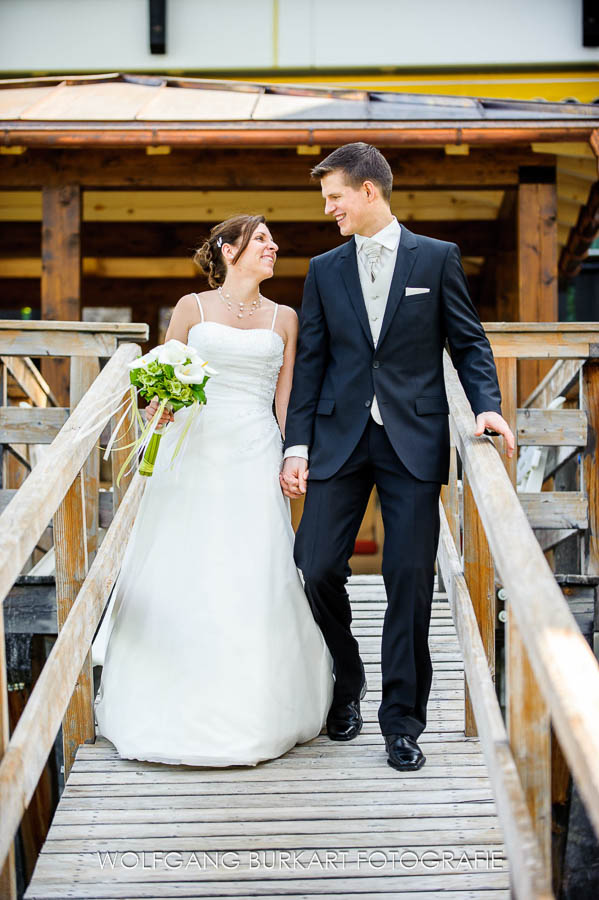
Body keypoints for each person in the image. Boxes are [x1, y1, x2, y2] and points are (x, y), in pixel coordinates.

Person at [280, 143, 514, 772]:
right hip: (338, 438)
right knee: (314, 564)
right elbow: (311, 365)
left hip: (414, 438)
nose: (329, 208)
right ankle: (347, 674)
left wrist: (486, 405)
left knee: (407, 580)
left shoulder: (436, 259)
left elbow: (469, 343)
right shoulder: (325, 269)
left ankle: (402, 723)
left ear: (369, 191)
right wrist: (296, 443)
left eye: (335, 196)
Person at [92, 214, 334, 767]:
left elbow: (287, 397)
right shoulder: (191, 309)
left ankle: (258, 705)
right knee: (190, 564)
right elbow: (163, 378)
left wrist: (295, 453)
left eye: (273, 240)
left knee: (254, 568)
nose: (273, 247)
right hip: (194, 453)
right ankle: (173, 699)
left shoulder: (285, 317)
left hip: (255, 453)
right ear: (230, 250)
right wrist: (158, 403)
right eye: (262, 240)